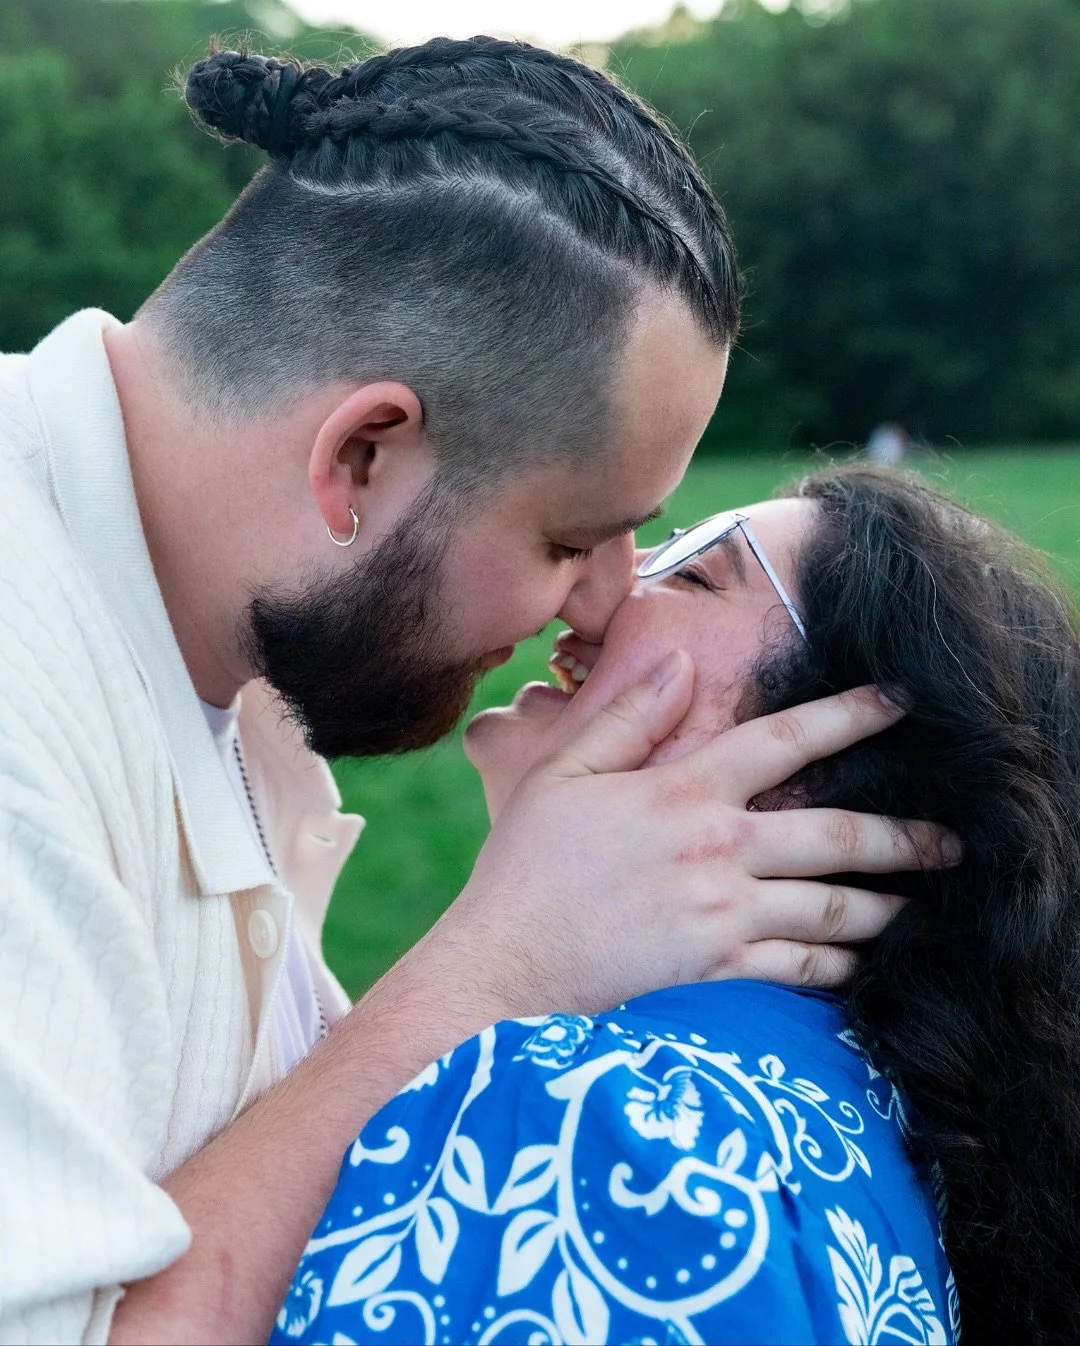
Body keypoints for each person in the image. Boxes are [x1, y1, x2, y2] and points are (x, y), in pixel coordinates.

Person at [0, 40, 955, 1346]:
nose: (602, 602)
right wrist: (508, 955)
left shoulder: (233, 637)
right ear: (361, 458)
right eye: (570, 539)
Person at [277, 467, 1080, 1346]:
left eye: (694, 572)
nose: (603, 588)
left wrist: (503, 953)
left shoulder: (608, 1123)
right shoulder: (893, 1125)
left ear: (817, 769)